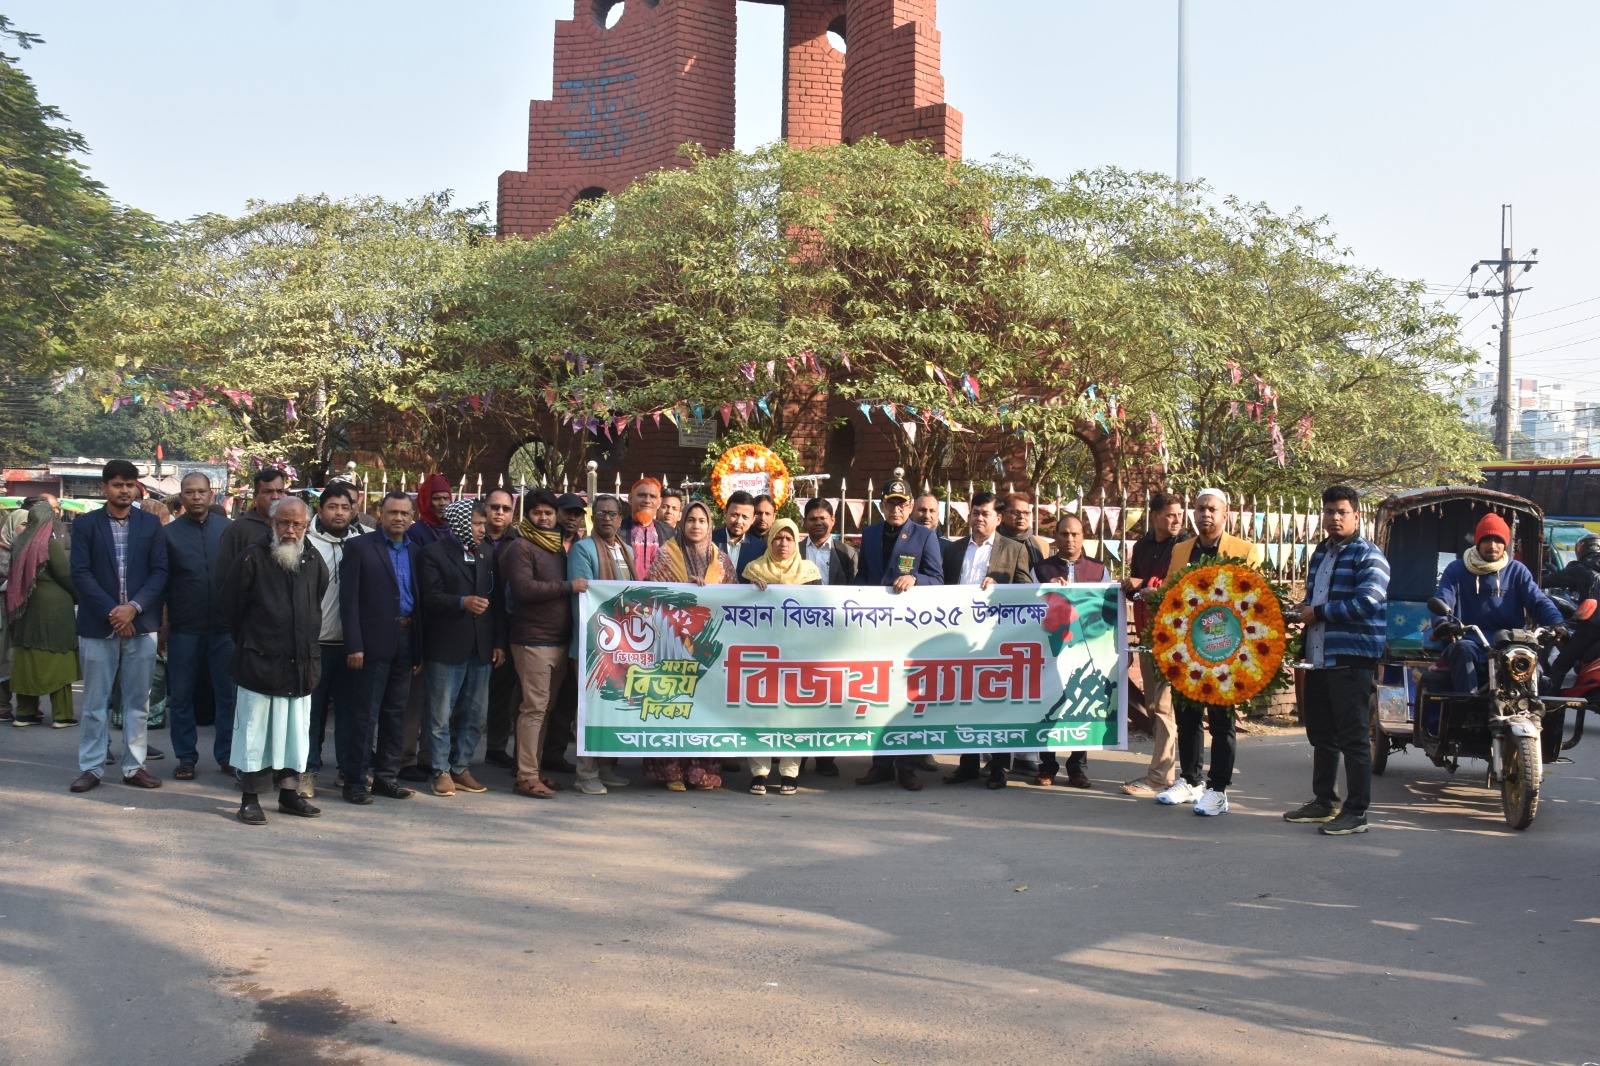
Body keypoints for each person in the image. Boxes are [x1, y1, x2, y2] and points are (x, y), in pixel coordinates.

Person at [1284, 486, 1390, 837]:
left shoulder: (1369, 556)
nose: (1334, 518)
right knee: (1321, 735)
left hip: (1351, 657)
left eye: (1342, 511)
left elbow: (1368, 602)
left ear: (1357, 516)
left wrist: (1318, 612)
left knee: (1354, 737)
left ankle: (1357, 811)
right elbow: (1314, 602)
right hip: (1318, 657)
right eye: (1329, 511)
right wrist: (1300, 612)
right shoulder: (1320, 554)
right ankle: (1325, 801)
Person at [1155, 488, 1263, 816]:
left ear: (1225, 515)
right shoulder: (1182, 550)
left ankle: (1218, 788)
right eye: (1200, 509)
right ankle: (1190, 780)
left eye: (1212, 509)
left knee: (1221, 723)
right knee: (1186, 718)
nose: (1206, 515)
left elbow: (1254, 601)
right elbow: (1173, 594)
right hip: (1188, 650)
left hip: (1226, 650)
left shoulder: (1245, 551)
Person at [220, 496, 329, 825]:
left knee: (295, 734)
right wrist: (257, 642)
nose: (291, 531)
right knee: (255, 735)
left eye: (298, 524)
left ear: (306, 525)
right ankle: (250, 798)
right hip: (260, 662)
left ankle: (289, 795)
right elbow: (232, 609)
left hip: (301, 664)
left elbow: (318, 599)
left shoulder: (313, 560)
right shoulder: (252, 557)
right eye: (284, 523)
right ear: (272, 523)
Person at [68, 460, 168, 794]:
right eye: (117, 484)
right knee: (95, 703)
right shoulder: (85, 525)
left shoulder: (151, 525)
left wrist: (133, 609)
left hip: (141, 625)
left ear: (136, 487)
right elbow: (80, 573)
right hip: (99, 625)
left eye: (129, 484)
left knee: (138, 703)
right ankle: (92, 767)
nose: (124, 490)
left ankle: (134, 767)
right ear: (104, 488)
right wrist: (115, 612)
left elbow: (159, 572)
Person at [855, 477, 943, 791]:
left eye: (902, 503)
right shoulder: (870, 533)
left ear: (909, 506)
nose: (896, 508)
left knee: (905, 698)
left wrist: (915, 579)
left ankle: (907, 767)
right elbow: (863, 575)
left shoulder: (924, 536)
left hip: (909, 631)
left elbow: (938, 580)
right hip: (875, 628)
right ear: (882, 505)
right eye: (890, 503)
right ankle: (880, 765)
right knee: (877, 696)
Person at [940, 492, 1033, 788]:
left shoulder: (1015, 549)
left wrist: (1000, 586)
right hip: (959, 638)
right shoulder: (954, 551)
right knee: (964, 699)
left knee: (997, 702)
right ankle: (967, 764)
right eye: (975, 513)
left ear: (998, 518)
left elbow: (1026, 590)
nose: (979, 518)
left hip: (996, 638)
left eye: (985, 514)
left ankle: (997, 768)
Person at [338, 491, 424, 805]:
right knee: (365, 715)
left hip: (406, 638)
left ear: (412, 517)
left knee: (395, 713)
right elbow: (348, 601)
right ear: (380, 514)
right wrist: (354, 645)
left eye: (404, 513)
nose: (398, 518)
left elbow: (420, 603)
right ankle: (355, 781)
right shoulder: (360, 547)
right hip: (371, 643)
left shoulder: (416, 551)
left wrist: (419, 650)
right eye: (392, 513)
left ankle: (387, 778)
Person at [645, 500, 737, 790]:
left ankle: (702, 773)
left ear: (710, 526)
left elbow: (736, 600)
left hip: (707, 649)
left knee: (705, 709)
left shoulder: (721, 560)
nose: (696, 526)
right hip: (671, 645)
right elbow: (650, 595)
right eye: (691, 520)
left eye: (702, 521)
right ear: (682, 524)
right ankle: (672, 772)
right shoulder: (665, 555)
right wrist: (685, 590)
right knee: (674, 706)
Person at [419, 500, 505, 798]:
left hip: (481, 647)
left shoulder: (486, 553)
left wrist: (498, 642)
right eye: (477, 524)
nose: (483, 529)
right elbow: (429, 597)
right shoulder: (433, 553)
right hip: (446, 645)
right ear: (458, 523)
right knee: (441, 714)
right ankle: (440, 769)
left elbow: (497, 606)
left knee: (475, 714)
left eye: (483, 524)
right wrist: (461, 602)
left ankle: (461, 766)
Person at [503, 488, 581, 799]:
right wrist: (567, 587)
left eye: (549, 512)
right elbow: (524, 589)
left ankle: (533, 769)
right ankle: (525, 776)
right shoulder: (522, 546)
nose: (544, 517)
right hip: (532, 640)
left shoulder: (556, 547)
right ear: (528, 515)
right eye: (538, 513)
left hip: (557, 639)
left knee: (544, 709)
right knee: (533, 709)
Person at [1431, 512, 1561, 697]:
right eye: (1486, 540)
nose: (1492, 546)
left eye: (1498, 540)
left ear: (1506, 544)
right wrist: (1442, 623)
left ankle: (1532, 712)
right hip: (1470, 641)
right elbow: (1443, 599)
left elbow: (1538, 600)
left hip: (1510, 643)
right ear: (1477, 543)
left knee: (1535, 668)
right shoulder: (1457, 570)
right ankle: (1466, 710)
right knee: (1463, 650)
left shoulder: (1517, 571)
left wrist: (1557, 623)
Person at [163, 472, 237, 779]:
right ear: (182, 497)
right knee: (180, 696)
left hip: (225, 628)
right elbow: (161, 582)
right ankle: (185, 757)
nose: (196, 497)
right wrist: (163, 626)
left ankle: (227, 755)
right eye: (189, 492)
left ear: (212, 495)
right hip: (184, 628)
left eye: (201, 492)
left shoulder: (229, 530)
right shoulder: (168, 534)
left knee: (228, 695)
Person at [741, 518, 823, 795]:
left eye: (789, 538)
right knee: (759, 711)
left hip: (797, 654)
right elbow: (737, 611)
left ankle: (790, 771)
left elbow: (819, 612)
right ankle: (759, 771)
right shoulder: (753, 571)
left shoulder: (809, 572)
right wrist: (754, 592)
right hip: (761, 654)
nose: (783, 543)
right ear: (770, 540)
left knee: (794, 713)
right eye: (778, 538)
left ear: (796, 541)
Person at [565, 494, 636, 795]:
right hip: (593, 643)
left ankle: (607, 767)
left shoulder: (626, 549)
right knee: (590, 710)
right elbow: (583, 597)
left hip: (623, 645)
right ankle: (586, 773)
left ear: (621, 518)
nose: (607, 518)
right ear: (594, 517)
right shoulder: (583, 550)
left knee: (613, 706)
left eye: (613, 513)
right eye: (601, 513)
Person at [1030, 513, 1107, 790]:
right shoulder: (1040, 569)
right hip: (1051, 646)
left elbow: (1108, 607)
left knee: (1081, 703)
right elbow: (1026, 605)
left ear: (1083, 537)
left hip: (1086, 647)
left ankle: (1077, 767)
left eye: (1075, 534)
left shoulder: (1098, 570)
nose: (1070, 539)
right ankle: (1047, 766)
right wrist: (1042, 590)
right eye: (1064, 534)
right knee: (1049, 703)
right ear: (1057, 537)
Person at [1120, 492, 1187, 797]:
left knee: (1165, 708)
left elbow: (1180, 586)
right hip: (1149, 635)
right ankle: (1172, 774)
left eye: (1180, 514)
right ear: (1155, 515)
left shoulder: (1186, 546)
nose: (1177, 520)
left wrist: (1144, 584)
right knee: (1156, 706)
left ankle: (1162, 776)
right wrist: (1129, 587)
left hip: (1179, 637)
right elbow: (1137, 589)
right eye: (1171, 514)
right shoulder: (1142, 546)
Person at [302, 482, 361, 797]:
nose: (339, 513)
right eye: (332, 507)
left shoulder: (362, 542)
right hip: (315, 645)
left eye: (345, 507)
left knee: (350, 715)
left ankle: (345, 770)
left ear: (353, 511)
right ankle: (307, 772)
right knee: (311, 715)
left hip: (351, 646)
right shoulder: (305, 542)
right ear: (320, 510)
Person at [6, 502, 79, 727]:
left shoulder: (19, 543)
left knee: (27, 658)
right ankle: (61, 716)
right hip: (54, 610)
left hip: (24, 608)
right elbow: (65, 576)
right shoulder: (49, 544)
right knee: (60, 659)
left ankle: (25, 713)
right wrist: (80, 596)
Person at [480, 487, 522, 769]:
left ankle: (496, 747)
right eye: (495, 507)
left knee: (503, 692)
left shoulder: (518, 542)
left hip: (507, 624)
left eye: (506, 509)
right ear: (486, 509)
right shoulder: (470, 535)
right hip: (473, 620)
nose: (500, 513)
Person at [1544, 533, 1600, 690]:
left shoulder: (1581, 569)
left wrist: (1530, 580)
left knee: (1561, 663)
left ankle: (1547, 700)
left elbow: (1552, 579)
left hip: (1591, 627)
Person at [216, 468, 287, 584]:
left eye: (280, 491)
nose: (275, 496)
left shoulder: (293, 527)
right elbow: (225, 576)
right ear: (255, 496)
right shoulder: (238, 529)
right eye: (268, 491)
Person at [620, 478, 675, 578]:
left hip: (658, 592)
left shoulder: (670, 534)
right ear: (630, 498)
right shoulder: (617, 531)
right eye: (641, 495)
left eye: (653, 496)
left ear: (659, 502)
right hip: (626, 592)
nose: (647, 500)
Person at [801, 497, 858, 586]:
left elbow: (854, 588)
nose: (818, 523)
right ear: (804, 522)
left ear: (833, 520)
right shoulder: (794, 551)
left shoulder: (848, 553)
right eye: (813, 519)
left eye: (823, 518)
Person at [712, 490, 765, 580]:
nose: (739, 521)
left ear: (753, 519)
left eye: (745, 517)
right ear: (725, 512)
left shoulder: (760, 548)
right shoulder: (710, 541)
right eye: (735, 515)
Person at [1000, 493, 1053, 573]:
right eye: (1016, 512)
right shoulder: (992, 543)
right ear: (1002, 515)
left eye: (1026, 513)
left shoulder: (1042, 545)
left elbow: (1049, 573)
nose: (1021, 517)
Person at [406, 474, 454, 548]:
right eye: (436, 498)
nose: (443, 503)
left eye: (446, 498)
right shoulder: (415, 531)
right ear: (426, 501)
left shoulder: (455, 529)